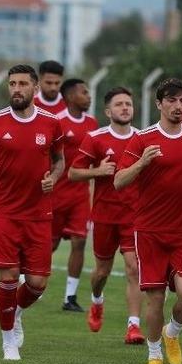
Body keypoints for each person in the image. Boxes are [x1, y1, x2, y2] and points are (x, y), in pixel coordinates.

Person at [115, 78, 182, 364]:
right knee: (155, 297)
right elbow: (118, 181)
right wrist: (141, 163)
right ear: (159, 104)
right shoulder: (142, 139)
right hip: (149, 232)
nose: (178, 106)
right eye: (172, 101)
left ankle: (172, 332)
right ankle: (154, 355)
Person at [0, 64, 64, 361]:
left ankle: (15, 311)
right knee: (9, 276)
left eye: (22, 84)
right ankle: (7, 341)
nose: (16, 88)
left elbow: (60, 160)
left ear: (35, 88)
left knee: (38, 284)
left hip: (39, 214)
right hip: (4, 212)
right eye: (12, 83)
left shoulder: (51, 123)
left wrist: (53, 177)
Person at [69, 86, 144, 343]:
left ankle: (133, 326)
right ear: (108, 111)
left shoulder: (143, 139)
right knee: (102, 272)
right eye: (119, 104)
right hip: (103, 217)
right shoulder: (95, 138)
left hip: (134, 217)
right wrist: (97, 172)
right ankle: (97, 301)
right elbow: (73, 173)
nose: (125, 107)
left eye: (128, 103)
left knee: (134, 268)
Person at [53, 79, 98, 311]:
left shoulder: (92, 123)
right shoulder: (57, 122)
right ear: (70, 97)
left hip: (80, 196)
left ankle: (70, 297)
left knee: (79, 242)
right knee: (48, 245)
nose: (89, 96)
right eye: (84, 92)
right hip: (55, 194)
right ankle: (25, 280)